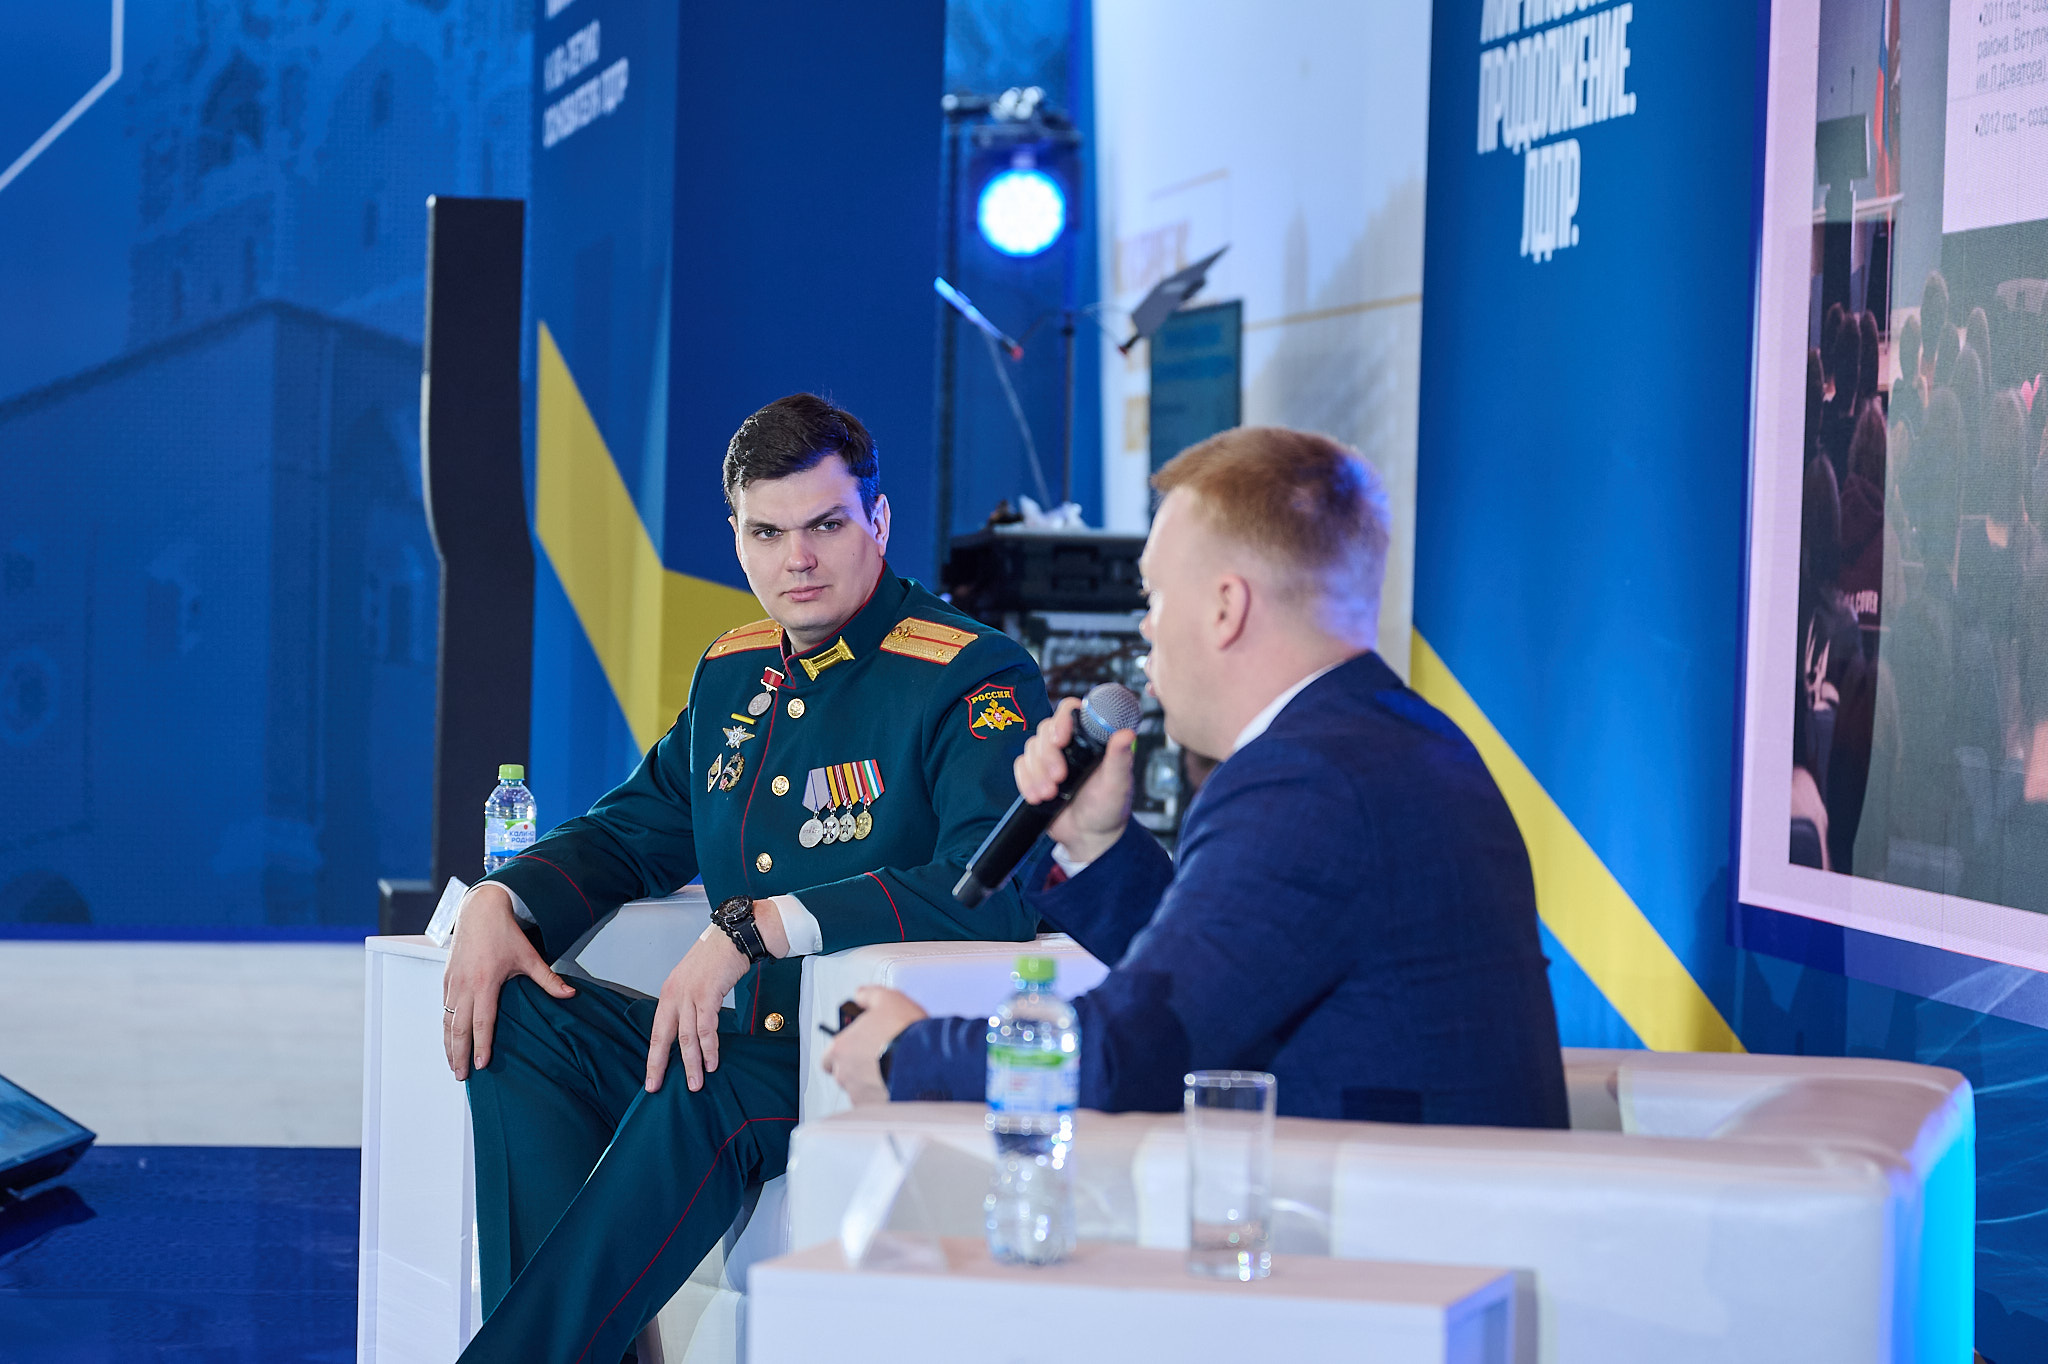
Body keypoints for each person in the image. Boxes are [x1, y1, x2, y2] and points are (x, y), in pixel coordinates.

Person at [441, 393, 1051, 1363]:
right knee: (519, 1014)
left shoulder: (968, 675)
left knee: (700, 1085)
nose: (796, 559)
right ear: (735, 536)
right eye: (766, 533)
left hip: (849, 1055)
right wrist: (501, 897)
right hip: (727, 1044)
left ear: (879, 520)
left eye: (826, 526)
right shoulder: (731, 672)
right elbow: (633, 829)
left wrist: (759, 924)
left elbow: (993, 888)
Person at [825, 426, 1570, 1127]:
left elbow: (1130, 1056)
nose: (1144, 629)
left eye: (1153, 596)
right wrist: (1096, 843)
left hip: (1372, 1209)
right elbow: (1217, 984)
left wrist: (908, 1052)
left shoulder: (1305, 780)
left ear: (1224, 608)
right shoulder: (1391, 742)